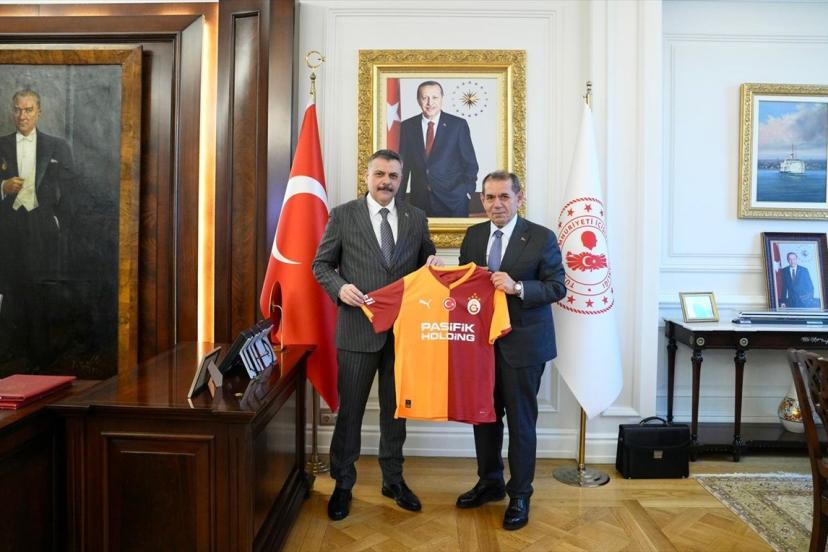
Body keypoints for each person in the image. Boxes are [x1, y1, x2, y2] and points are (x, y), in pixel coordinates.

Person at [313, 149, 440, 521]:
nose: (386, 181)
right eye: (380, 174)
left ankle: (393, 480)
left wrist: (433, 262)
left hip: (403, 334)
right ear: (367, 176)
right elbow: (321, 265)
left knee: (396, 411)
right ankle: (343, 484)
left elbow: (426, 259)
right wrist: (340, 288)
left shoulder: (416, 218)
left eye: (393, 176)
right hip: (357, 330)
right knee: (350, 412)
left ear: (401, 180)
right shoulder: (343, 215)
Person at [456, 171, 566, 530]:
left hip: (524, 347)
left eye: (504, 196)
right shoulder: (473, 236)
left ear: (519, 197)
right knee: (484, 418)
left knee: (521, 423)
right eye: (490, 197)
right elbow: (465, 287)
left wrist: (518, 287)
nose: (497, 204)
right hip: (481, 347)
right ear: (482, 200)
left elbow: (557, 287)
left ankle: (519, 494)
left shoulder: (541, 237)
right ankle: (489, 483)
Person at [0, 88, 76, 369]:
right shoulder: (0, 145)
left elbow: (71, 191)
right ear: (12, 112)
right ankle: (10, 354)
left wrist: (58, 222)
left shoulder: (57, 147)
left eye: (29, 110)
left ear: (39, 113)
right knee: (11, 287)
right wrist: (3, 187)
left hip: (42, 227)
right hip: (8, 227)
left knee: (40, 289)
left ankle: (41, 357)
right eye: (18, 110)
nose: (23, 116)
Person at [398, 81, 479, 217]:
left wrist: (466, 192)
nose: (430, 103)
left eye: (435, 97)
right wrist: (398, 201)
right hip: (419, 202)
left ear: (442, 98)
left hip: (453, 201)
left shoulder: (458, 125)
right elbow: (403, 168)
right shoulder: (407, 126)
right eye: (425, 98)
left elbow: (470, 164)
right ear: (418, 100)